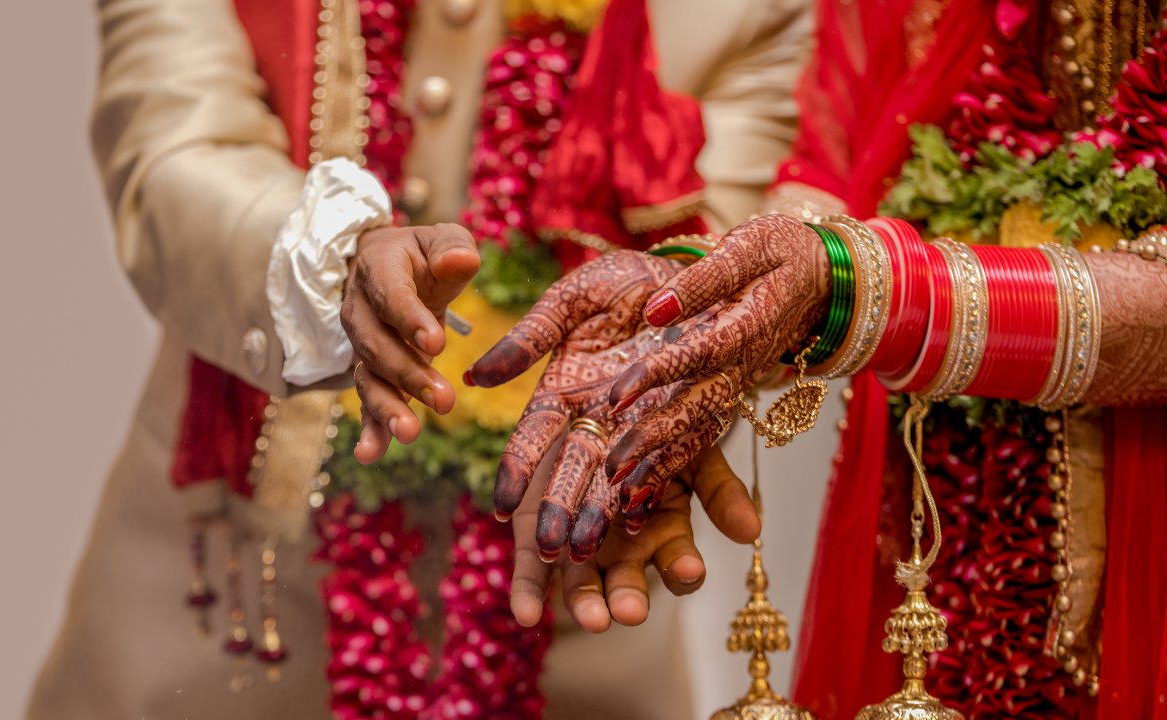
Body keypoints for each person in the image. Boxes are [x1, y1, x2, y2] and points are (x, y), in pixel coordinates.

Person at [27, 0, 812, 718]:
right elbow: (172, 148)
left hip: (582, 567)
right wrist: (333, 263)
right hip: (238, 582)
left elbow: (733, 235)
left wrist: (661, 349)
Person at [480, 1, 1167, 719]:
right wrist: (693, 302)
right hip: (958, 527)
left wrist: (853, 288)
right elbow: (828, 185)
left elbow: (838, 268)